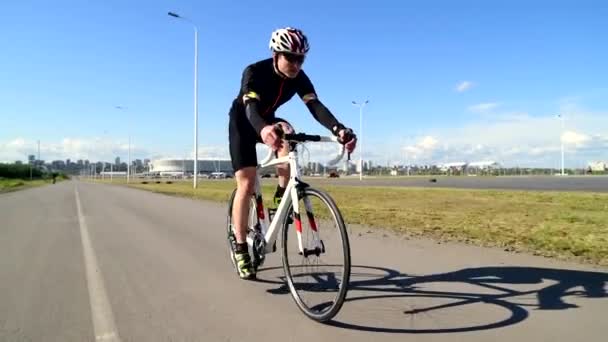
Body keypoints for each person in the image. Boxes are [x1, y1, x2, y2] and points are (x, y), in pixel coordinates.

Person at [227, 27, 357, 280]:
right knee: (246, 182)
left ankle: (280, 200)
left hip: (268, 119)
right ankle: (241, 247)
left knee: (288, 137)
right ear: (276, 54)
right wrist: (263, 129)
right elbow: (251, 107)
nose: (296, 64)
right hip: (244, 121)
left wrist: (339, 129)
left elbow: (315, 106)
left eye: (301, 59)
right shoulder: (254, 71)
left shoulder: (299, 77)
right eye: (291, 57)